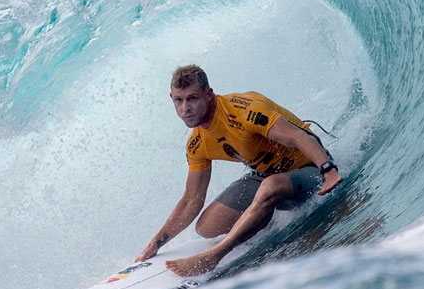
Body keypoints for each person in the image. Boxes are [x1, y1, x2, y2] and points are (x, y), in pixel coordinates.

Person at [137, 64, 342, 276]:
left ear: (208, 95)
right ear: (171, 98)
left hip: (310, 169)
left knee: (270, 185)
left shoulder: (244, 111)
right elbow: (191, 200)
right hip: (267, 176)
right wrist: (156, 243)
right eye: (178, 100)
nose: (185, 108)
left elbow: (299, 137)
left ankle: (215, 255)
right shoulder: (197, 144)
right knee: (206, 228)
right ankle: (260, 215)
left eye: (192, 98)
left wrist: (329, 171)